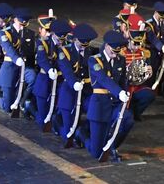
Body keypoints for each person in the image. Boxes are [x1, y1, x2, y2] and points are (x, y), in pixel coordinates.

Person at [86, 30, 134, 162]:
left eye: (118, 52)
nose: (115, 54)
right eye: (113, 51)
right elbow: (103, 79)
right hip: (100, 105)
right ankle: (82, 136)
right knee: (96, 152)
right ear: (106, 46)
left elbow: (123, 80)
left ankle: (112, 145)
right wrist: (119, 92)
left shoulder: (120, 60)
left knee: (127, 119)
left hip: (115, 104)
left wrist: (124, 93)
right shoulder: (94, 60)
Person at [54, 21, 93, 150]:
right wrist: (75, 83)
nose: (84, 47)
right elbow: (67, 71)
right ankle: (61, 128)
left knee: (95, 111)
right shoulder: (64, 52)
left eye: (86, 44)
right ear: (75, 39)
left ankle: (80, 132)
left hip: (86, 90)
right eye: (82, 44)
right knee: (68, 127)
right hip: (70, 90)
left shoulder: (90, 51)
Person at [0, 8, 37, 118]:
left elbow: (32, 52)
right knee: (7, 107)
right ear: (15, 20)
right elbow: (8, 48)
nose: (22, 25)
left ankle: (21, 102)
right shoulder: (4, 33)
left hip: (24, 67)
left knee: (33, 78)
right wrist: (16, 59)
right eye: (20, 23)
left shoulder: (30, 33)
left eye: (25, 23)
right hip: (10, 66)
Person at [32, 14, 59, 129]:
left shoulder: (57, 42)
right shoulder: (40, 43)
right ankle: (31, 109)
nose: (48, 33)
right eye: (46, 30)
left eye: (51, 30)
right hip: (44, 79)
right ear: (40, 30)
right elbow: (42, 60)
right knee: (43, 117)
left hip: (57, 80)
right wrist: (49, 70)